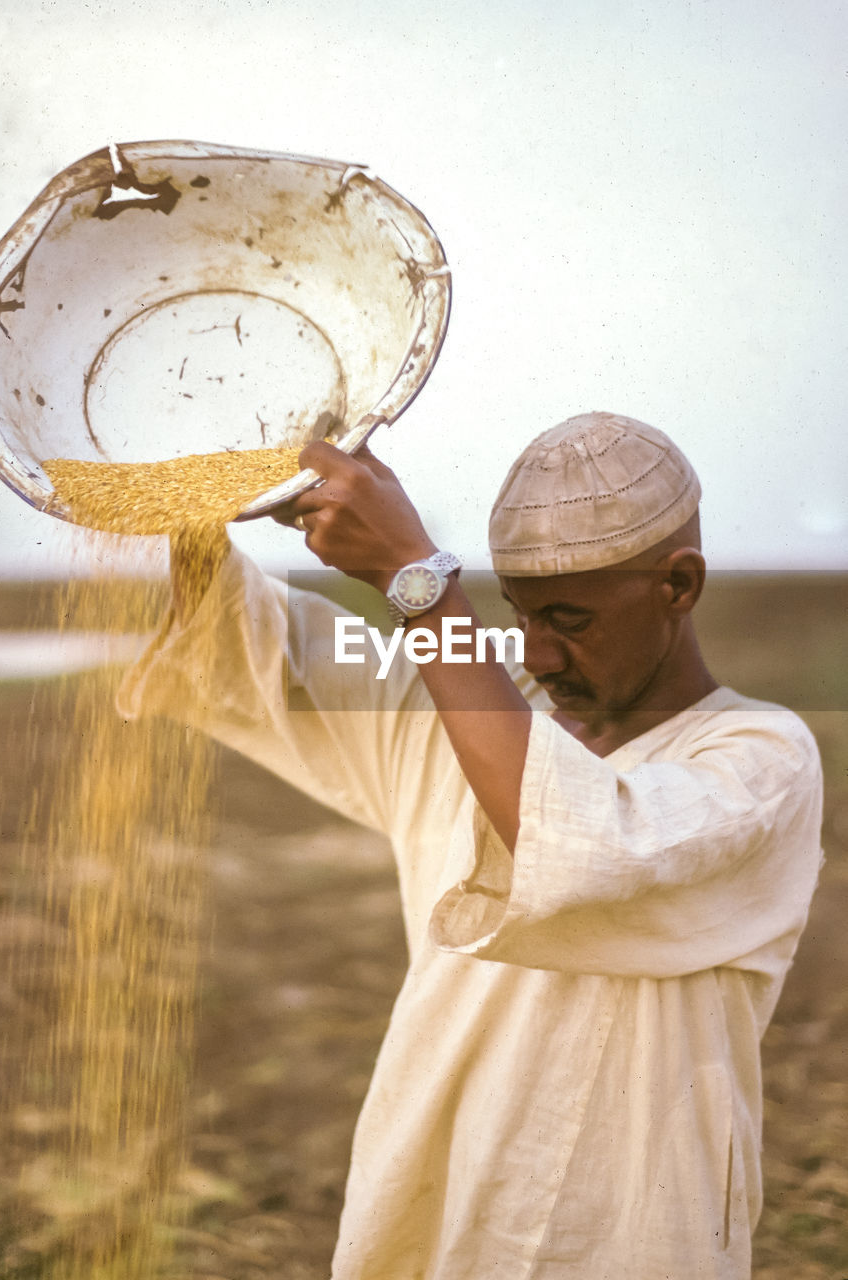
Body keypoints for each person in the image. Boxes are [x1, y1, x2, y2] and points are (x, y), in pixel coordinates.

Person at [119, 410, 823, 1279]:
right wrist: (201, 501)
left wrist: (419, 580)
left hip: (637, 1238)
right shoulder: (474, 705)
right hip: (437, 1221)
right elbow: (258, 647)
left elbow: (575, 843)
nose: (538, 650)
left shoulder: (763, 760)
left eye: (570, 617)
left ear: (677, 585)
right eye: (519, 614)